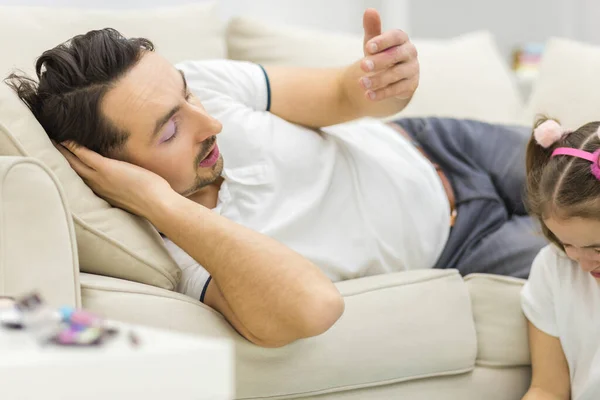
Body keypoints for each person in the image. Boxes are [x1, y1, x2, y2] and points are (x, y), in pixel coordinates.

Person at [5, 9, 546, 348]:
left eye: (186, 94)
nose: (209, 121)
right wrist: (161, 204)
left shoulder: (209, 86)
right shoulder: (180, 252)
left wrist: (383, 83)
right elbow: (314, 307)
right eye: (170, 131)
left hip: (437, 144)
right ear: (116, 169)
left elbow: (342, 95)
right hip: (464, 242)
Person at [521, 119, 600, 400]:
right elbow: (548, 389)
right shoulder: (553, 266)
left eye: (598, 249)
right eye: (568, 244)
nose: (583, 264)